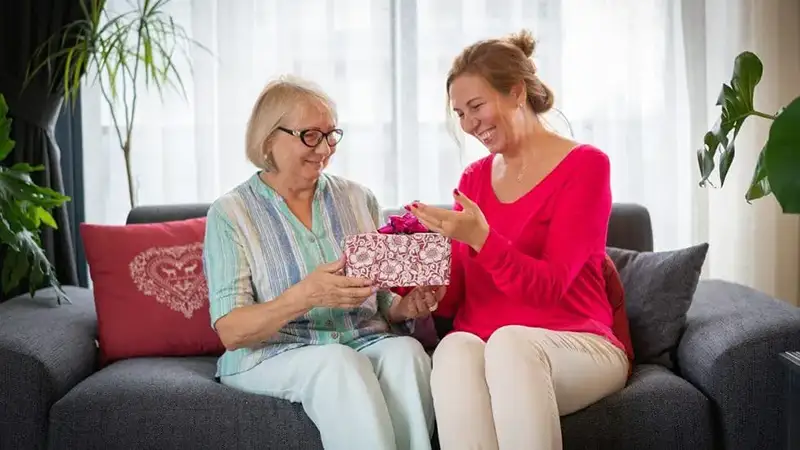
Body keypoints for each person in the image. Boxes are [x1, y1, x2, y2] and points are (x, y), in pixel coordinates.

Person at [407, 30, 631, 450]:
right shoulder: (473, 180)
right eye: (459, 113)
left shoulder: (586, 167)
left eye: (476, 106)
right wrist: (420, 284)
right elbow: (458, 301)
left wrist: (483, 239)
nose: (470, 124)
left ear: (516, 93)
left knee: (510, 344)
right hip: (492, 349)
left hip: (577, 344)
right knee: (455, 348)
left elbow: (549, 288)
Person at [203, 75, 437, 450]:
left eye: (331, 135)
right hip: (274, 353)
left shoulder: (358, 198)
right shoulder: (231, 214)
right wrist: (304, 295)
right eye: (310, 135)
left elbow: (380, 302)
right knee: (337, 365)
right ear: (269, 140)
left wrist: (403, 307)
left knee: (406, 353)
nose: (324, 148)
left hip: (360, 340)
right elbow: (232, 331)